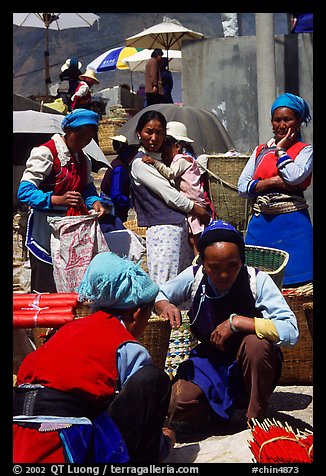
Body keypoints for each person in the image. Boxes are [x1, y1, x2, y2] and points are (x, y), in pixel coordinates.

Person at [13, 251, 175, 464]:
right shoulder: (128, 347)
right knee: (153, 380)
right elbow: (135, 412)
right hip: (63, 441)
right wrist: (163, 443)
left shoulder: (67, 329)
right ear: (137, 314)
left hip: (19, 433)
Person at [154, 219, 299, 427]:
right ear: (203, 264)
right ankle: (222, 411)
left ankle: (255, 415)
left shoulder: (257, 281)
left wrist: (237, 322)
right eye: (214, 267)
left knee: (255, 345)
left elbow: (291, 331)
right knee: (176, 405)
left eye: (232, 266)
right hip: (211, 361)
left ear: (242, 261)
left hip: (250, 362)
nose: (224, 274)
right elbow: (158, 293)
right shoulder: (194, 278)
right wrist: (164, 305)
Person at [17, 108, 106, 293]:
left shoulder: (83, 159)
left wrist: (94, 201)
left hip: (71, 233)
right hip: (45, 229)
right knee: (46, 283)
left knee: (71, 284)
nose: (83, 142)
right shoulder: (46, 153)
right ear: (68, 131)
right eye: (79, 136)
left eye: (88, 138)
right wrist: (56, 199)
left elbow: (87, 187)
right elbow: (24, 192)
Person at [237, 93, 313, 287]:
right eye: (277, 120)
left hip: (293, 228)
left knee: (298, 286)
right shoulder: (260, 150)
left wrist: (280, 150)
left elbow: (295, 176)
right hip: (260, 227)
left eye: (287, 119)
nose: (282, 125)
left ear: (297, 122)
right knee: (256, 284)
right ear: (271, 122)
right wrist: (272, 182)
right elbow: (242, 186)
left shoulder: (306, 151)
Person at [129, 110, 210, 284]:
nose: (153, 137)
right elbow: (170, 195)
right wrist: (199, 211)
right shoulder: (140, 163)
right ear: (139, 133)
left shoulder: (162, 161)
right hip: (163, 231)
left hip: (177, 227)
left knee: (183, 283)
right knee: (166, 283)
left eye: (159, 133)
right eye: (148, 131)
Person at [142, 134, 207, 255]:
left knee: (195, 238)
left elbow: (171, 174)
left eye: (167, 152)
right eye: (164, 155)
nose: (166, 156)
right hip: (189, 203)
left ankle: (199, 261)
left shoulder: (181, 159)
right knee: (192, 236)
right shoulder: (178, 160)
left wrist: (154, 162)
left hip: (194, 201)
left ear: (177, 146)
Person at [100, 135, 138, 223]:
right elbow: (116, 195)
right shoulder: (119, 168)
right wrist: (129, 202)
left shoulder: (118, 163)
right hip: (113, 211)